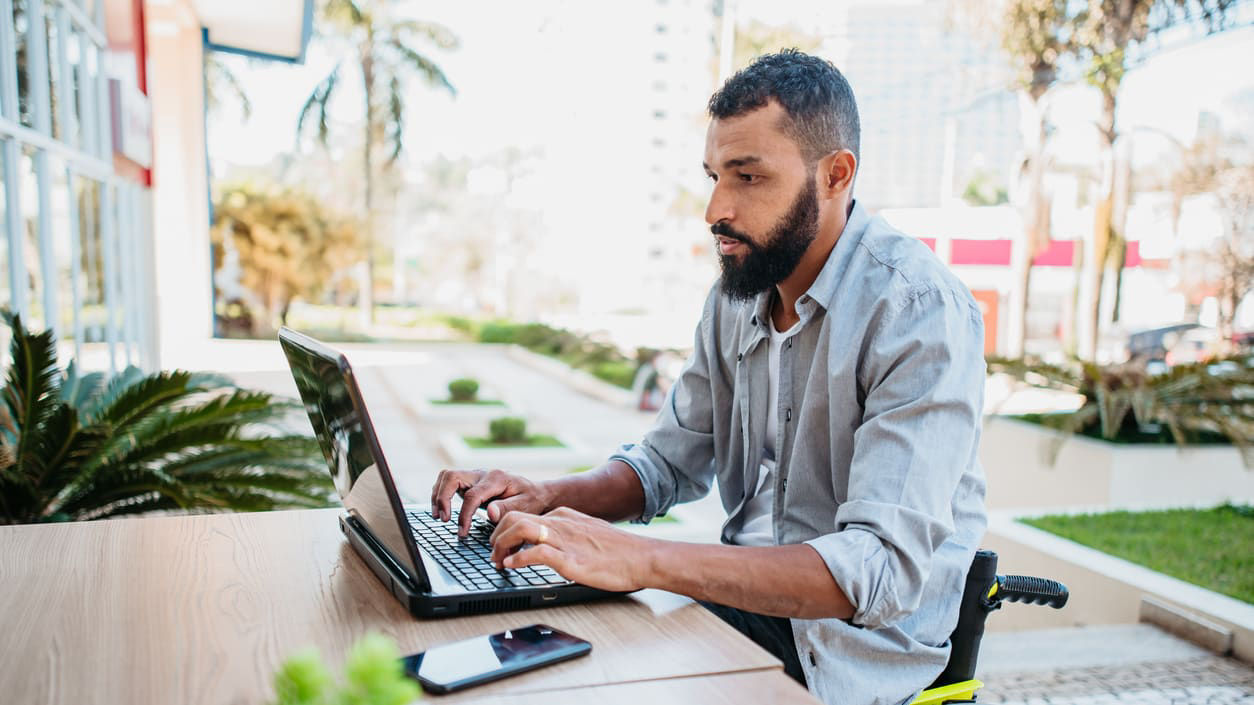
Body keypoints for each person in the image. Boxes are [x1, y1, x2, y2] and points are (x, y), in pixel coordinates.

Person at [431, 50, 987, 705]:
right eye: (715, 175)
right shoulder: (735, 298)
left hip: (851, 654)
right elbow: (667, 464)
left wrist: (640, 558)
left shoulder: (917, 311)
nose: (715, 208)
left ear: (835, 175)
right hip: (737, 606)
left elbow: (877, 570)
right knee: (510, 639)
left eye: (748, 177)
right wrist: (548, 498)